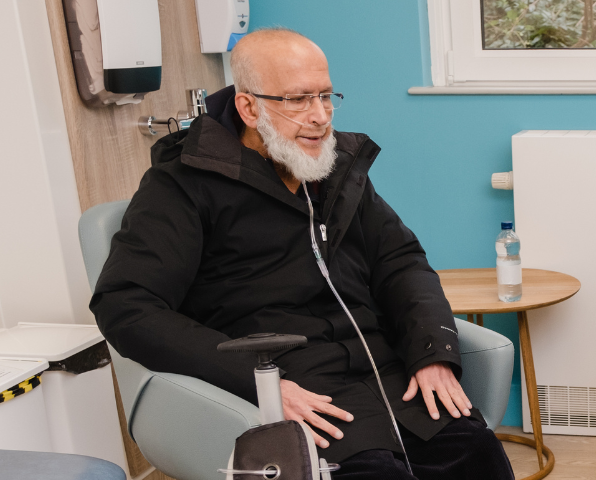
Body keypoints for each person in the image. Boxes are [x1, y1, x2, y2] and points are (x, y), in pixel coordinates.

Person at [90, 28, 513, 480]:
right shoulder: (181, 187)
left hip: (388, 377)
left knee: (476, 454)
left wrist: (431, 352)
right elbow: (126, 306)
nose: (320, 117)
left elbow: (401, 261)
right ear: (249, 107)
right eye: (298, 100)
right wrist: (261, 387)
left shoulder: (336, 170)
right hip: (290, 391)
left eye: (326, 96)